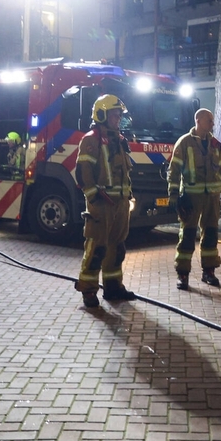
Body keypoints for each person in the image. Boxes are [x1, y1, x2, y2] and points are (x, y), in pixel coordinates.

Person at [74, 95, 135, 307]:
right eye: (114, 114)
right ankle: (88, 290)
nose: (118, 118)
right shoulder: (91, 140)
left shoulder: (119, 139)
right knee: (97, 247)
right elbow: (83, 172)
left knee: (117, 247)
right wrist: (93, 196)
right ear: (102, 114)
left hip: (120, 203)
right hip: (102, 204)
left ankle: (113, 287)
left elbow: (123, 173)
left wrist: (128, 197)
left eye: (119, 114)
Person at [168, 108, 221, 291]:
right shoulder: (185, 143)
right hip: (191, 197)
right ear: (198, 120)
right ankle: (183, 274)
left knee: (211, 234)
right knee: (187, 235)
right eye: (209, 120)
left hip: (212, 197)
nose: (212, 124)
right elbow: (174, 170)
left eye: (212, 121)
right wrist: (173, 194)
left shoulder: (215, 144)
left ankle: (209, 272)